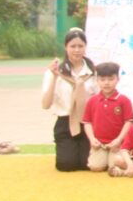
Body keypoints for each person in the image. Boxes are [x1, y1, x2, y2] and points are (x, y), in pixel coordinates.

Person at [41, 27, 97, 172]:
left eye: (80, 46)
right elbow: (46, 104)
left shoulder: (93, 72)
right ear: (65, 47)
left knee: (88, 165)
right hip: (65, 123)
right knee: (66, 165)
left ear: (85, 47)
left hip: (88, 124)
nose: (77, 50)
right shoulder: (55, 72)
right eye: (73, 46)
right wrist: (54, 77)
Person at [81, 62, 133, 173]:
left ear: (118, 79)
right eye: (102, 79)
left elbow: (129, 122)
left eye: (110, 79)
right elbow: (87, 122)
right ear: (97, 80)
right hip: (99, 144)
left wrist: (119, 140)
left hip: (118, 144)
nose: (106, 83)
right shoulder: (92, 100)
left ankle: (127, 158)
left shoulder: (124, 100)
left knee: (114, 166)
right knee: (95, 167)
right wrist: (92, 139)